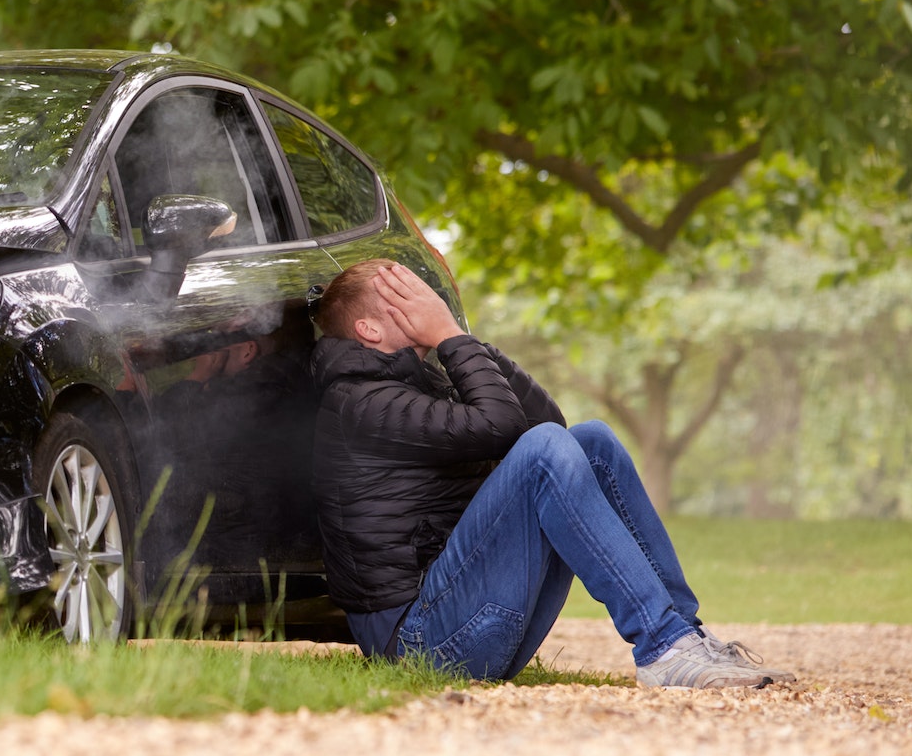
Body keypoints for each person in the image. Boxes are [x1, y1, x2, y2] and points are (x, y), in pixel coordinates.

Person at [309, 258, 789, 688]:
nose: (426, 304)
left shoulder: (415, 379)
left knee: (592, 441)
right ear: (369, 330)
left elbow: (547, 424)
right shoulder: (359, 401)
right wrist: (450, 338)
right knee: (544, 451)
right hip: (421, 643)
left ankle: (684, 637)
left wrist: (459, 340)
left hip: (458, 619)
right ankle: (663, 648)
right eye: (403, 297)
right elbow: (509, 431)